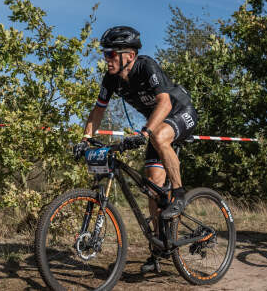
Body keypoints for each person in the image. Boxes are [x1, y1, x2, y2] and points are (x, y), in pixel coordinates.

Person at [75, 26, 198, 272]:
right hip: (156, 122)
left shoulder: (146, 66)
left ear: (129, 56)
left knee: (159, 137)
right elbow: (98, 110)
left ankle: (180, 192)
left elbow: (163, 103)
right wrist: (85, 138)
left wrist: (144, 133)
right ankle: (160, 249)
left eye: (111, 54)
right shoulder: (110, 79)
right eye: (105, 53)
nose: (106, 58)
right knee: (153, 189)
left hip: (180, 112)